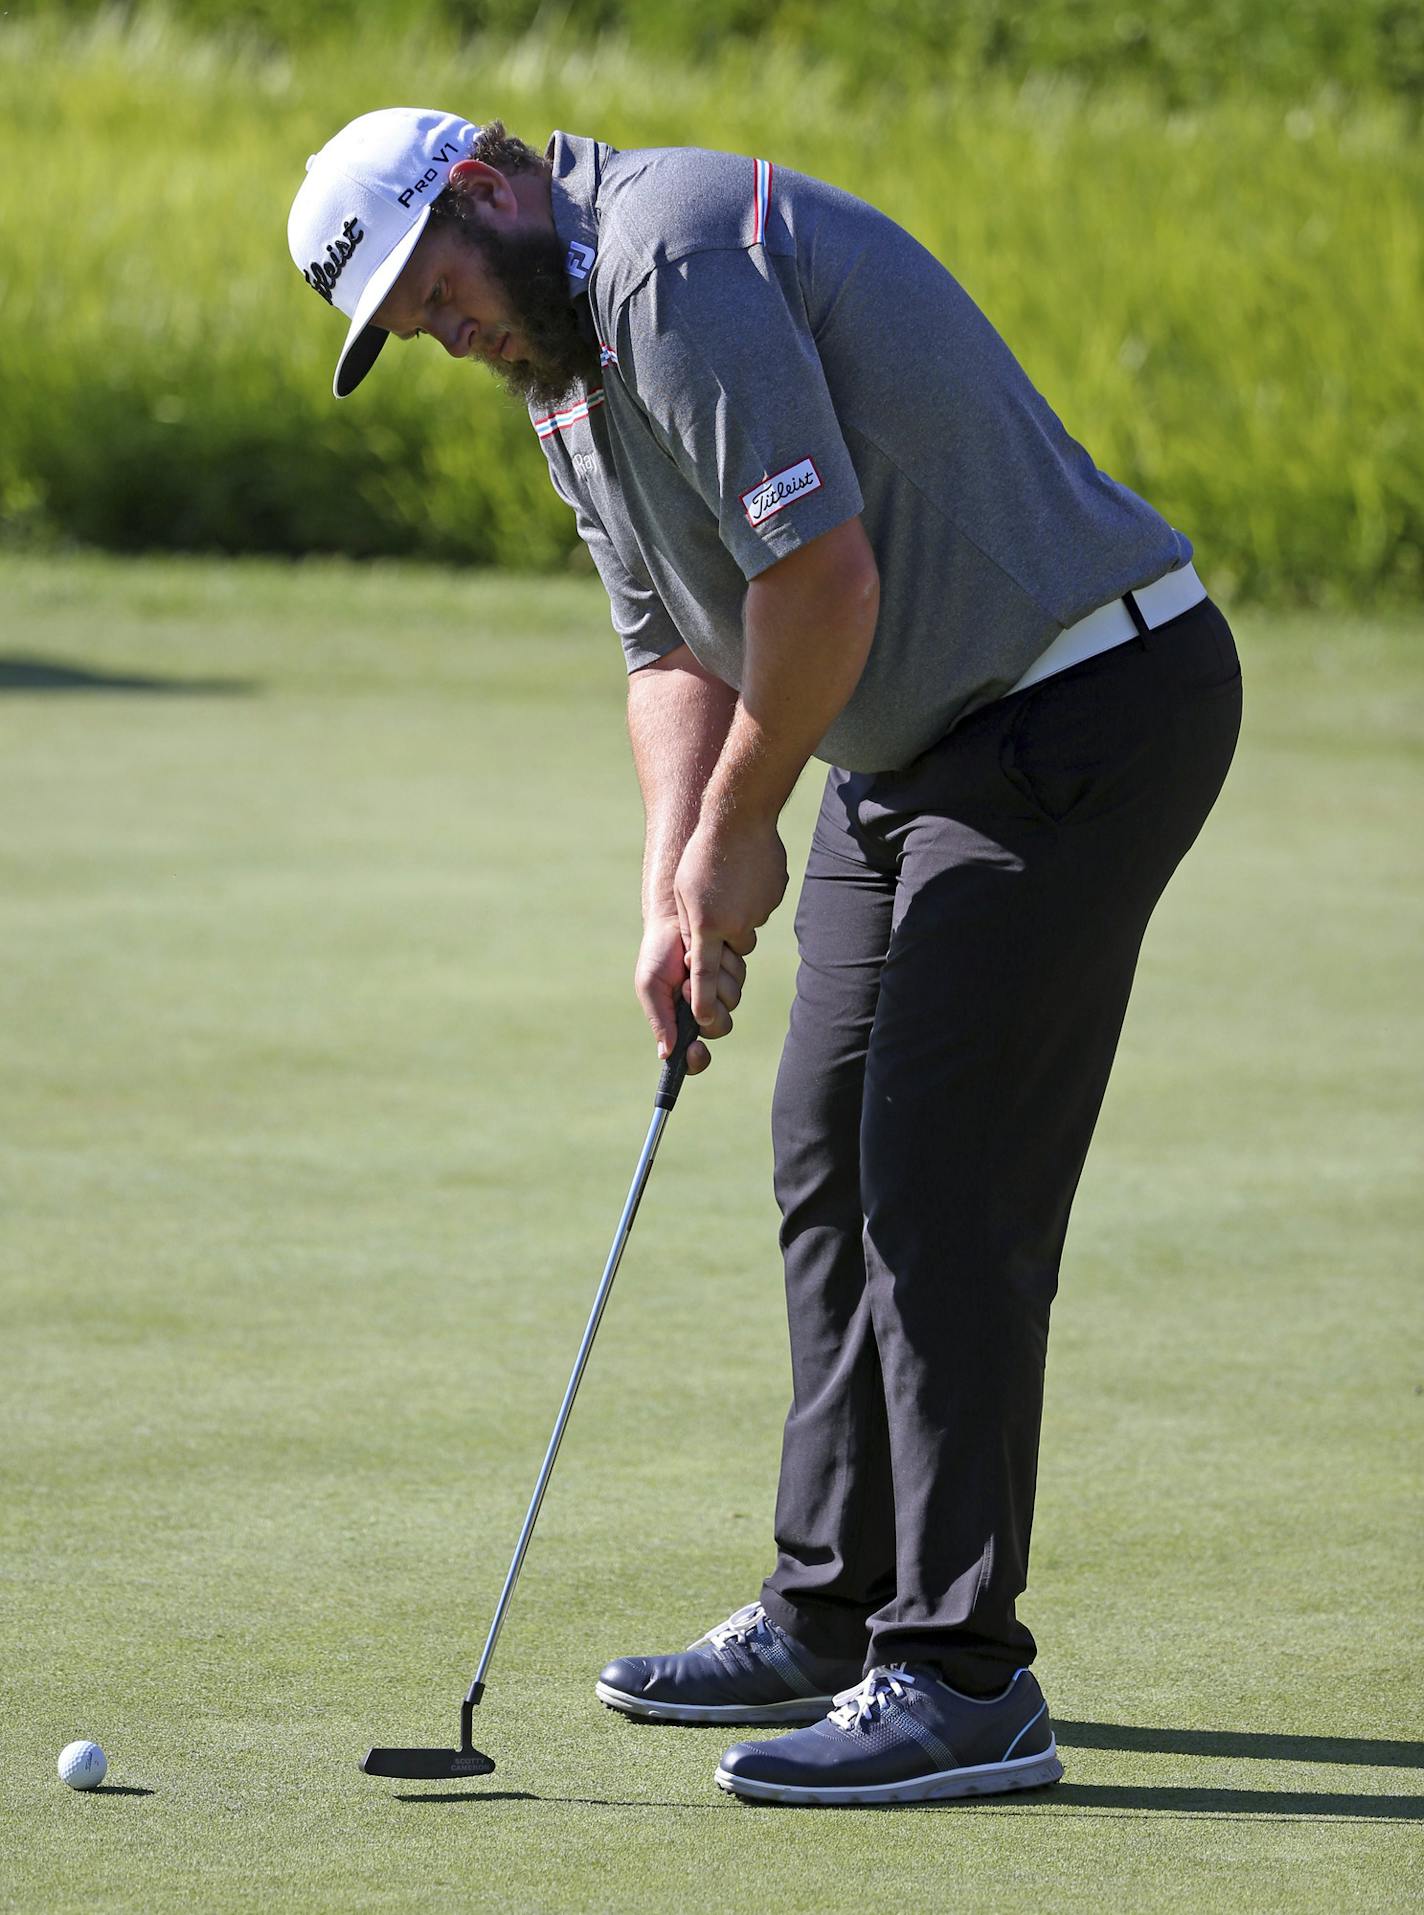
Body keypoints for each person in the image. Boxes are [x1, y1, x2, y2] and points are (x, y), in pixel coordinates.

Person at [288, 108, 1241, 1808]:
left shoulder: (670, 260)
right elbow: (671, 633)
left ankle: (962, 1676)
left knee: (939, 1184)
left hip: (1081, 706)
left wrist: (744, 830)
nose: (446, 336)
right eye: (415, 331)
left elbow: (819, 578)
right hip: (918, 745)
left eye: (436, 295)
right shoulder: (562, 364)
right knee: (827, 1152)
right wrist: (677, 879)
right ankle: (834, 1606)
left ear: (485, 189)